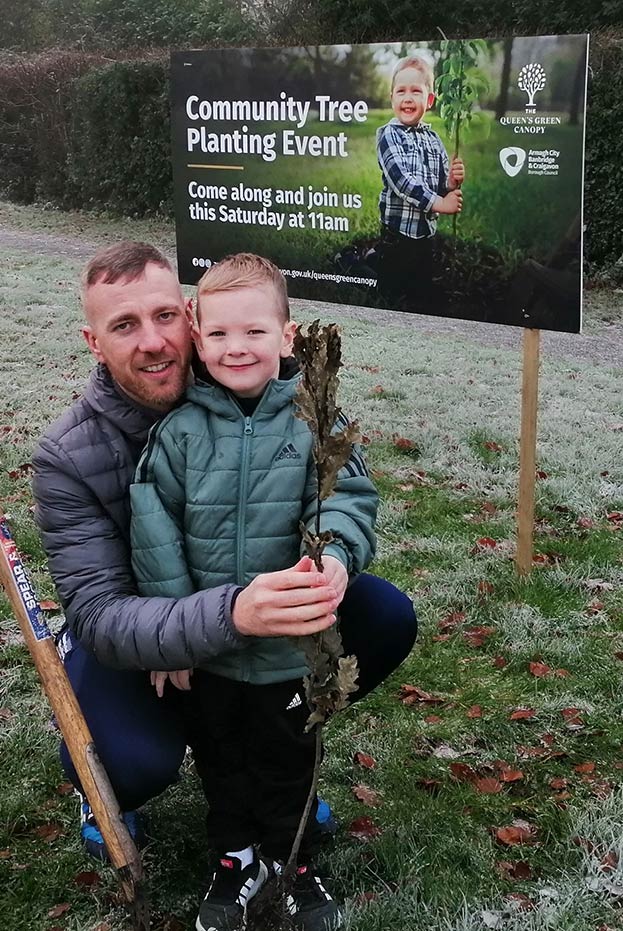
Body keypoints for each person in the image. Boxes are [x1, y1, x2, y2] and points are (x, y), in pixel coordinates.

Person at [30, 242, 417, 927]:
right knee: (142, 759)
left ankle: (284, 810)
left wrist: (331, 559)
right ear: (94, 341)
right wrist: (224, 616)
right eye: (124, 326)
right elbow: (98, 612)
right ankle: (150, 803)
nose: (152, 341)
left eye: (163, 316)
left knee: (381, 615)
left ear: (188, 316)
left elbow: (343, 494)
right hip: (140, 641)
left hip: (268, 633)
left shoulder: (295, 407)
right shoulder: (73, 454)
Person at [129, 252, 376, 931]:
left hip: (286, 650)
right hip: (209, 648)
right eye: (219, 335)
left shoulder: (315, 425)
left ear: (288, 336)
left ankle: (291, 858)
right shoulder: (177, 433)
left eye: (255, 332)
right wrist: (176, 628)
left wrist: (338, 559)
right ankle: (235, 857)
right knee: (221, 754)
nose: (237, 348)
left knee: (287, 752)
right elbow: (155, 530)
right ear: (197, 339)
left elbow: (349, 502)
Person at [376, 54, 466, 303]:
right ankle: (363, 262)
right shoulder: (388, 135)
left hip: (426, 233)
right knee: (391, 289)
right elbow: (402, 182)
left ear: (429, 100)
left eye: (416, 91)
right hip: (398, 234)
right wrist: (440, 203)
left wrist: (451, 182)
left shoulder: (433, 139)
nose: (407, 98)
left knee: (422, 285)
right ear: (391, 97)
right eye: (400, 91)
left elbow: (441, 184)